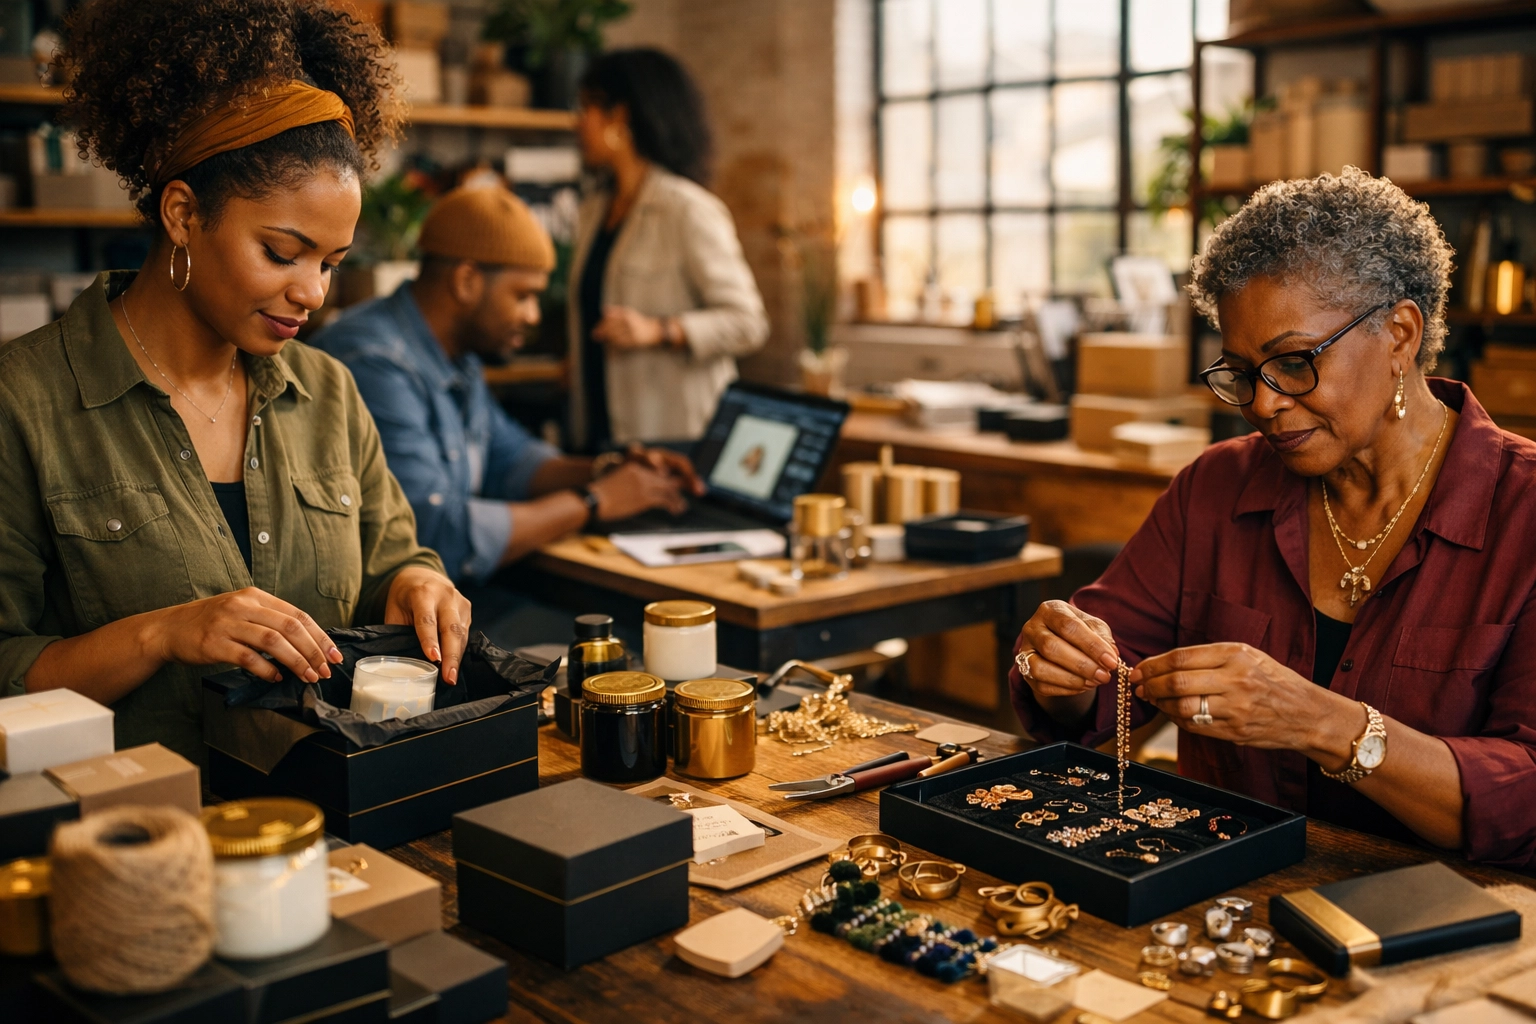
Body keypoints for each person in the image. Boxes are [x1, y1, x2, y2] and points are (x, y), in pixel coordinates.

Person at [1011, 168, 1536, 867]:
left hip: (1453, 937)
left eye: (1293, 363)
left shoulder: (1521, 515)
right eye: (1240, 371)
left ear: (1401, 335)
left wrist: (1326, 724)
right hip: (1223, 907)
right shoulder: (1215, 489)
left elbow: (1525, 801)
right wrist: (1060, 671)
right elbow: (1097, 700)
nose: (1262, 404)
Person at [0, 0, 469, 764]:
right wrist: (161, 633)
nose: (312, 293)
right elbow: (6, 672)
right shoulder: (24, 403)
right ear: (183, 214)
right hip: (141, 838)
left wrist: (418, 587)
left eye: (330, 263)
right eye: (283, 253)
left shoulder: (328, 395)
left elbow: (394, 561)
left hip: (335, 824)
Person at [313, 186, 703, 646]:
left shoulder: (458, 356)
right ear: (466, 281)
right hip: (383, 630)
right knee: (611, 645)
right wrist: (595, 500)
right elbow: (437, 531)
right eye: (523, 295)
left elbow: (510, 458)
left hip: (455, 604)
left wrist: (607, 470)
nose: (534, 314)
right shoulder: (373, 360)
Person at [568, 48, 769, 452]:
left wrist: (661, 331)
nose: (577, 122)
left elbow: (749, 323)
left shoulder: (687, 210)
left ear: (620, 115)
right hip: (600, 434)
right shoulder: (591, 212)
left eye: (587, 107)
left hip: (678, 440)